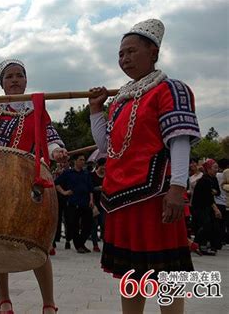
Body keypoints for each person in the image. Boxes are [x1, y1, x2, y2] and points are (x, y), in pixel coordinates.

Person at [88, 19, 201, 314]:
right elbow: (106, 146)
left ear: (153, 52)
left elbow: (179, 141)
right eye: (121, 54)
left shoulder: (170, 89)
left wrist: (177, 188)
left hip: (155, 195)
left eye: (131, 52)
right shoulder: (121, 100)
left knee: (167, 275)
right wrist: (96, 110)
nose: (124, 59)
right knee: (132, 274)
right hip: (121, 198)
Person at [0, 59, 68, 314]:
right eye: (9, 76)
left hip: (29, 182)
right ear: (1, 84)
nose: (14, 80)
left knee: (36, 243)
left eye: (19, 75)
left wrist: (56, 152)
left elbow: (51, 138)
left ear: (25, 80)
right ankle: (4, 301)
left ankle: (48, 304)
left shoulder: (37, 110)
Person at [55, 153, 94, 253]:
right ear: (75, 161)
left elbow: (90, 188)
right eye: (80, 160)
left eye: (83, 160)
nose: (82, 162)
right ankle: (78, 245)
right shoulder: (68, 173)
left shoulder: (86, 173)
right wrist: (64, 192)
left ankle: (81, 242)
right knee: (74, 225)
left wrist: (91, 200)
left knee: (88, 225)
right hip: (73, 202)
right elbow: (56, 183)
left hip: (85, 202)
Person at [192, 159, 222, 255]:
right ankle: (197, 244)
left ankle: (206, 245)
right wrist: (216, 209)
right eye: (214, 168)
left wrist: (213, 191)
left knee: (212, 225)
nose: (216, 170)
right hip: (200, 206)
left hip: (207, 206)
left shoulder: (213, 179)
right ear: (208, 169)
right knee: (205, 225)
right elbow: (207, 196)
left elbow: (217, 191)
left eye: (217, 167)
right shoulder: (204, 180)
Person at [90, 157, 106, 252]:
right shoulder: (92, 175)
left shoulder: (108, 176)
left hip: (104, 203)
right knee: (94, 224)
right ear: (98, 166)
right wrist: (98, 188)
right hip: (94, 202)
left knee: (104, 224)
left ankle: (104, 241)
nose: (104, 168)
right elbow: (89, 188)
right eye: (103, 166)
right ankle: (95, 244)